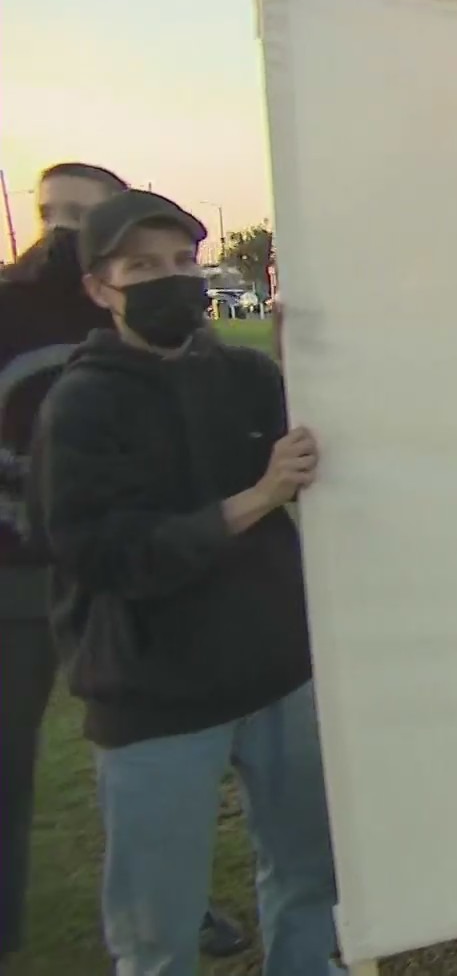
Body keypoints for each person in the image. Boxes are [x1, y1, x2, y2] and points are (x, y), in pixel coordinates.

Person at [28, 190, 339, 975]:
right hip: (155, 696)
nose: (171, 280)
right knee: (156, 924)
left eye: (180, 262)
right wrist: (255, 500)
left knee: (311, 879)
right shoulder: (80, 405)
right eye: (142, 267)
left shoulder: (241, 376)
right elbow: (103, 554)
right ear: (101, 288)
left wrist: (318, 365)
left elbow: (322, 459)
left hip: (276, 674)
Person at [0, 165, 251, 965]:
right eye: (49, 213)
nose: (59, 226)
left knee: (147, 755)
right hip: (17, 571)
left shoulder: (188, 345)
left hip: (155, 583)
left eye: (81, 213)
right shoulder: (15, 314)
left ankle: (181, 900)